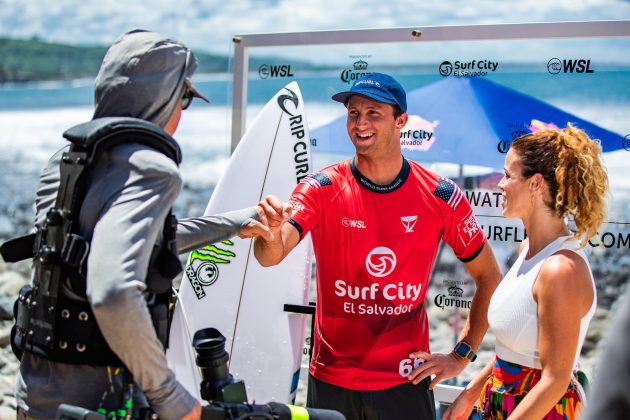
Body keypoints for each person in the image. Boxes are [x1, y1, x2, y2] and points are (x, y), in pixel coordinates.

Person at [11, 29, 275, 420]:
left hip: (37, 394)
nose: (182, 112)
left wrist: (236, 223)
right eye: (183, 97)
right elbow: (113, 290)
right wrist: (170, 396)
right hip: (101, 402)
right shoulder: (150, 168)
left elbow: (114, 246)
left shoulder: (68, 160)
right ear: (163, 98)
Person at [254, 73, 503, 420]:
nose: (360, 123)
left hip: (405, 381)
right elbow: (272, 254)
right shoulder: (321, 187)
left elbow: (490, 278)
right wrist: (268, 235)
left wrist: (461, 354)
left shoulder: (440, 195)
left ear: (401, 121)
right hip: (332, 380)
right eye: (353, 113)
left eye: (374, 113)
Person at [443, 124, 609, 420]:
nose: (500, 184)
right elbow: (509, 352)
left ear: (535, 184)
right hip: (503, 402)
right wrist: (469, 395)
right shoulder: (527, 250)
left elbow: (554, 380)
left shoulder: (560, 270)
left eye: (508, 175)